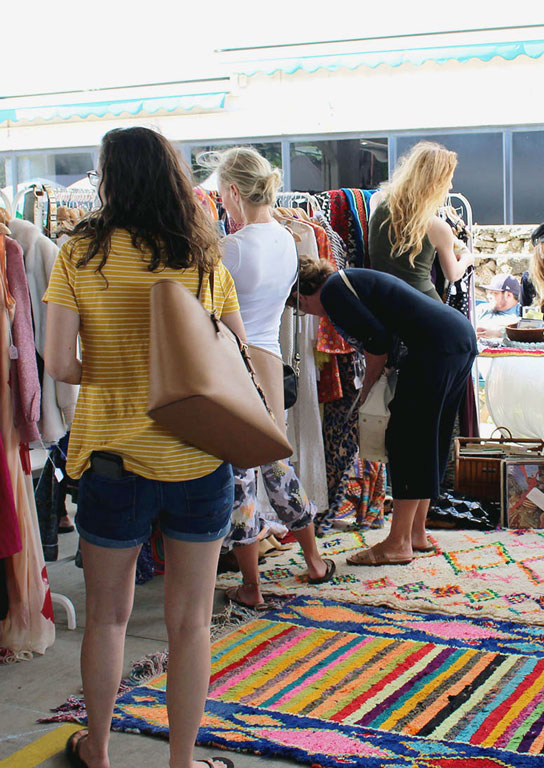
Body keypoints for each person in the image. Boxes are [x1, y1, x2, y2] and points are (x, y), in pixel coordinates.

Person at [43, 127, 238, 768]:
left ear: (110, 178)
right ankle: (182, 762)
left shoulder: (80, 254)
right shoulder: (202, 251)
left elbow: (56, 360)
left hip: (112, 458)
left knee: (108, 619)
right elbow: (231, 350)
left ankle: (97, 749)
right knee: (191, 624)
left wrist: (109, 368)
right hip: (197, 456)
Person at [203, 147, 335, 609]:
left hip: (239, 364)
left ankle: (253, 587)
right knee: (277, 466)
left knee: (241, 476)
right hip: (272, 360)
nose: (221, 204)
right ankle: (315, 560)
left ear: (235, 192)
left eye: (221, 195)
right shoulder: (285, 238)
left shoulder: (231, 249)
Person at [291, 260, 477, 565]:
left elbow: (377, 343)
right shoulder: (348, 280)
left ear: (304, 295)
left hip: (434, 346)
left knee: (406, 439)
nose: (309, 312)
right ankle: (416, 533)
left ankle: (397, 543)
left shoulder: (334, 292)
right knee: (430, 437)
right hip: (456, 338)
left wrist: (368, 389)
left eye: (300, 307)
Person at [368, 141, 473, 301]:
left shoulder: (377, 200)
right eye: (448, 180)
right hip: (424, 306)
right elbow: (453, 274)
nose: (450, 186)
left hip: (382, 301)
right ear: (435, 184)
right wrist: (467, 258)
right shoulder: (438, 227)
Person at [476, 273, 521, 337]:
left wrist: (499, 333)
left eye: (495, 293)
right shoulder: (482, 309)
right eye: (489, 292)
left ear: (508, 295)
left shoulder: (521, 314)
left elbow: (527, 332)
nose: (488, 296)